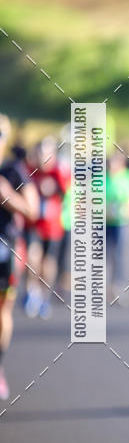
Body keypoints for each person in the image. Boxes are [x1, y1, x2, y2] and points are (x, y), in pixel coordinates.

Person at [0, 116, 39, 400]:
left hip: (5, 250)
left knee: (2, 313)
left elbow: (33, 210)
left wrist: (5, 195)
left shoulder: (13, 171)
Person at [23, 136, 69, 319]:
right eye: (41, 153)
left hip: (52, 226)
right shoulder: (29, 171)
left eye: (47, 153)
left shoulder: (59, 172)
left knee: (47, 263)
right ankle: (31, 292)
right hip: (33, 224)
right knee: (32, 258)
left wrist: (54, 188)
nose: (44, 157)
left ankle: (44, 297)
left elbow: (68, 193)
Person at [105, 149, 129, 302]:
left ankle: (120, 287)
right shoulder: (101, 178)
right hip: (103, 223)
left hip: (122, 223)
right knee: (103, 257)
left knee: (121, 256)